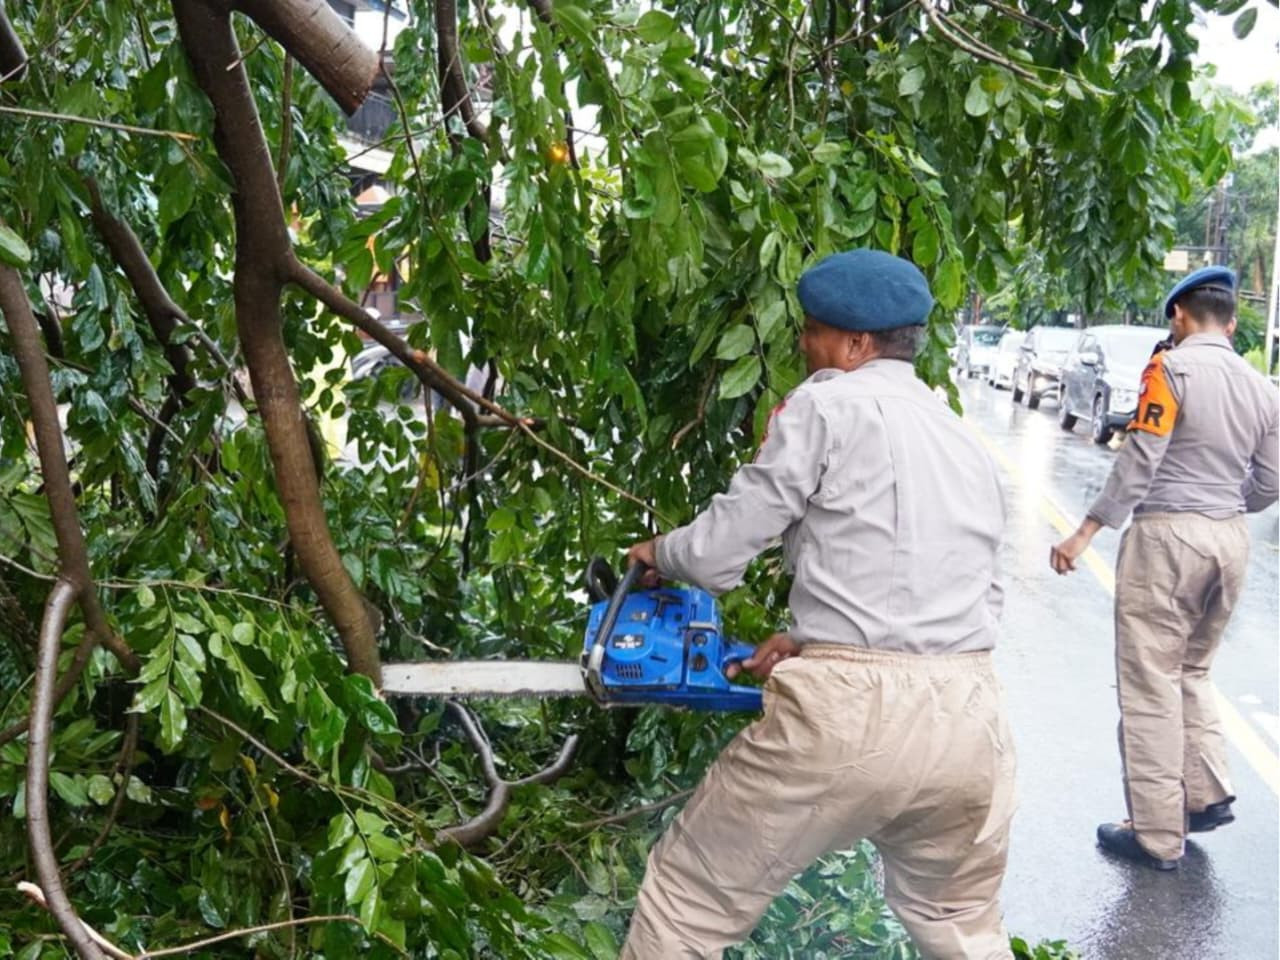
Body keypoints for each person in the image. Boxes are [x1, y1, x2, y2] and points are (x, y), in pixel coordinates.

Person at [619, 249, 1017, 960]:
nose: (803, 347)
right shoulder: (965, 437)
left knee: (689, 901)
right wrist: (815, 640)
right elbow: (971, 589)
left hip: (849, 721)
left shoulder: (828, 403)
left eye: (812, 332)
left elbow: (719, 552)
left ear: (857, 344)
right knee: (959, 924)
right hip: (971, 718)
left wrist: (660, 553)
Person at [1051, 265, 1279, 871]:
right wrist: (1226, 507)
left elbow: (1140, 460)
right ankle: (1202, 797)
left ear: (1179, 316)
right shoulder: (1264, 387)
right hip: (1230, 539)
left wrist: (1086, 531)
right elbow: (1273, 479)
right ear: (1231, 323)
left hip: (1168, 540)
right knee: (1193, 670)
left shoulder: (1169, 370)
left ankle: (1156, 834)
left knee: (1151, 681)